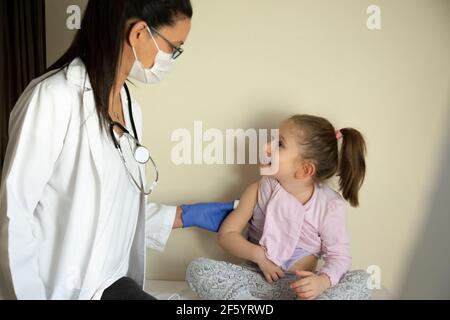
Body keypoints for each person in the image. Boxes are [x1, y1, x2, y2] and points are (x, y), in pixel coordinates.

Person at [0, 0, 234, 300]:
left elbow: (109, 207)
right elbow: (13, 214)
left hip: (111, 282)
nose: (172, 58)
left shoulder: (129, 106)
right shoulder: (53, 97)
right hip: (62, 288)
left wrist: (184, 215)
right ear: (138, 34)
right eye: (173, 47)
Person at [186, 114, 369, 300]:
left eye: (279, 144)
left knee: (361, 279)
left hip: (299, 288)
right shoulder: (258, 190)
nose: (266, 147)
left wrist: (321, 282)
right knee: (198, 268)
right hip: (255, 279)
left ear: (305, 169)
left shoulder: (329, 205)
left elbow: (339, 257)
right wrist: (259, 257)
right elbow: (227, 235)